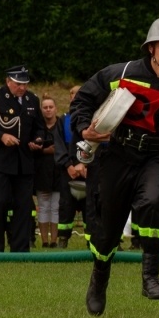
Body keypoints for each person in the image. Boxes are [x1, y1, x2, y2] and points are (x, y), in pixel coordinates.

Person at [70, 13, 159, 316]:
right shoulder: (121, 72)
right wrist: (84, 130)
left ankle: (151, 274)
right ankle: (99, 279)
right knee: (108, 231)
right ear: (150, 49)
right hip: (116, 156)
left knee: (154, 199)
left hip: (157, 157)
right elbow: (83, 101)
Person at [0, 65, 47, 253]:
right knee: (0, 201)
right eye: (18, 84)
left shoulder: (32, 99)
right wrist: (0, 137)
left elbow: (40, 128)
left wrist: (38, 140)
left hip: (24, 161)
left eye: (25, 84)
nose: (22, 88)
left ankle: (20, 248)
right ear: (8, 82)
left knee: (24, 205)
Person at [55, 85, 86, 248]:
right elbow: (59, 145)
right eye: (72, 93)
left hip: (89, 171)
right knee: (66, 206)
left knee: (91, 208)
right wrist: (68, 165)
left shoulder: (93, 119)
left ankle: (91, 240)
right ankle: (63, 239)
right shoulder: (63, 120)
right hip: (68, 172)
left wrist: (88, 166)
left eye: (79, 93)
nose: (75, 96)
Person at [34, 95, 60, 248]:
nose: (48, 110)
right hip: (41, 171)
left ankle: (54, 241)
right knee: (43, 206)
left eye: (51, 107)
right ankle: (44, 241)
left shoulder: (62, 125)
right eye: (45, 107)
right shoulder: (37, 127)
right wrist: (45, 151)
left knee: (55, 207)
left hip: (58, 171)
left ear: (56, 108)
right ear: (41, 110)